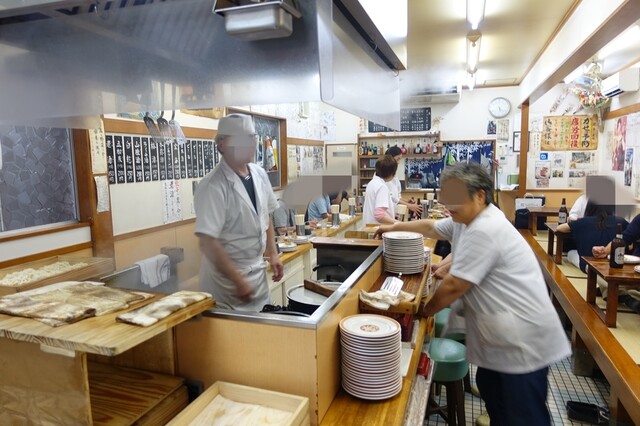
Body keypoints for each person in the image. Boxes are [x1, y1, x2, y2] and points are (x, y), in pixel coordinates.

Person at [376, 162, 571, 425]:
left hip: (524, 342)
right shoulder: (465, 219)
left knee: (524, 416)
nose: (448, 204)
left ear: (480, 195)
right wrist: (393, 227)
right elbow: (432, 228)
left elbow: (454, 286)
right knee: (496, 399)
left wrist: (423, 311)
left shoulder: (486, 227)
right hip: (500, 337)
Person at [194, 113, 283, 311]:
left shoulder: (259, 173)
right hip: (226, 285)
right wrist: (237, 280)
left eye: (252, 138)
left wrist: (273, 254)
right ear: (222, 145)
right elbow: (207, 242)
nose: (250, 144)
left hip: (257, 275)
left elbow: (266, 215)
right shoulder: (213, 185)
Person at [557, 201, 627, 272]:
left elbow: (559, 228)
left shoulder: (583, 221)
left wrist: (573, 223)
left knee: (570, 253)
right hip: (616, 265)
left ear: (589, 208)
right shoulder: (621, 221)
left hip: (589, 266)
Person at [385, 146, 423, 217]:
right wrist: (409, 206)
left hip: (394, 214)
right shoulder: (384, 177)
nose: (398, 162)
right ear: (389, 159)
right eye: (397, 159)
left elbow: (397, 197)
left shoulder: (394, 176)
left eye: (400, 159)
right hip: (386, 214)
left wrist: (406, 201)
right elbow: (392, 198)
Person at [363, 155, 399, 224]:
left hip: (370, 228)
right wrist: (398, 223)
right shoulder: (381, 187)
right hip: (377, 229)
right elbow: (379, 215)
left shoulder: (372, 183)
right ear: (392, 173)